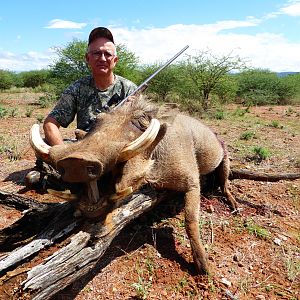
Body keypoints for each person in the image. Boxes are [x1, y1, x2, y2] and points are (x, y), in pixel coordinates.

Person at [25, 27, 137, 188]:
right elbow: (50, 124)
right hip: (83, 146)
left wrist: (131, 112)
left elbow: (144, 129)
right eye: (97, 53)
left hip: (114, 150)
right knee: (44, 144)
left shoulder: (130, 89)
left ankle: (60, 179)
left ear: (115, 60)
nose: (102, 58)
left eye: (108, 54)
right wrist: (64, 153)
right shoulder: (77, 88)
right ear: (87, 58)